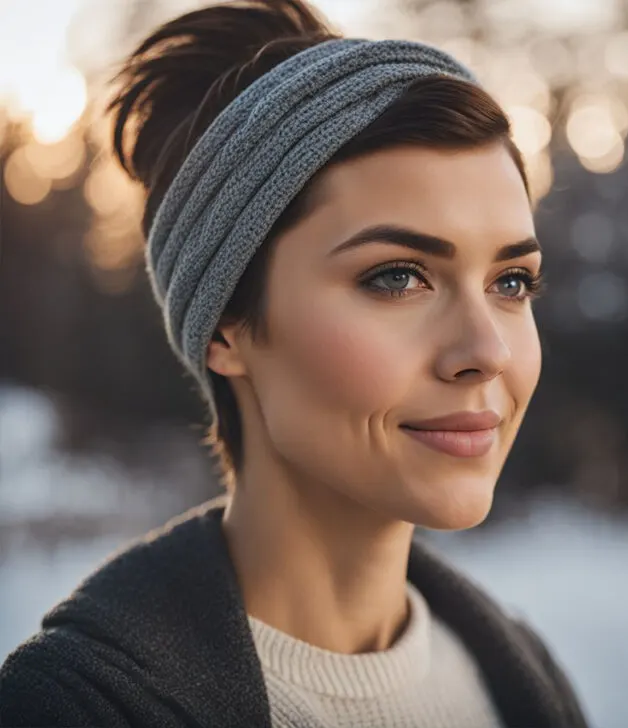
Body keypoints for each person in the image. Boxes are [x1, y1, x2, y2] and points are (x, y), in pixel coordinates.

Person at [0, 1, 591, 726]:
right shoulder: (70, 708)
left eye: (511, 283)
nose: (488, 352)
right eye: (397, 277)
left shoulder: (525, 680)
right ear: (226, 329)